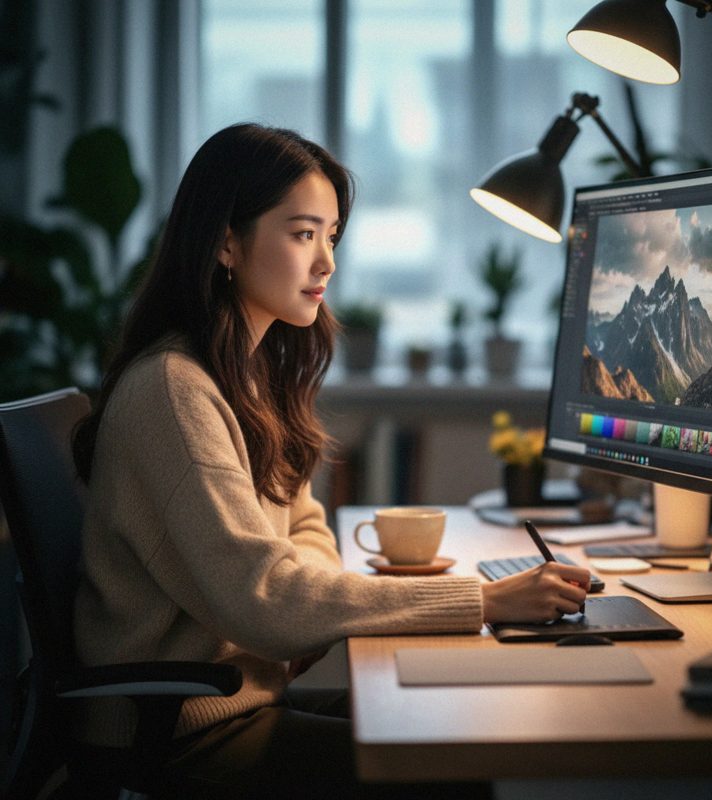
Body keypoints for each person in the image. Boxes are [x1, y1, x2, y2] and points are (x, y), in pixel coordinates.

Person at [70, 123, 590, 799]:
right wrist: (483, 600)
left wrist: (306, 611)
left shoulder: (243, 377)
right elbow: (264, 596)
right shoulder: (175, 391)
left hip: (235, 704)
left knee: (455, 729)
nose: (328, 264)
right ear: (226, 241)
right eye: (302, 233)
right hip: (179, 729)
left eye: (332, 236)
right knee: (447, 771)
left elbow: (305, 526)